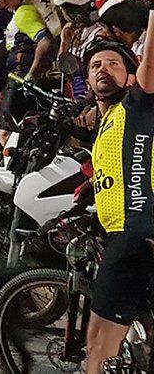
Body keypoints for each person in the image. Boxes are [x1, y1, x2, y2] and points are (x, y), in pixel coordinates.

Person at [78, 28, 154, 374]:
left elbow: (150, 68)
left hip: (134, 234)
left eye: (113, 64)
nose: (103, 69)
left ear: (131, 77)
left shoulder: (137, 105)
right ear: (87, 81)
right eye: (96, 65)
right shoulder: (109, 120)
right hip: (136, 236)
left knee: (98, 345)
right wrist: (89, 189)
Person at [0, 0, 63, 132]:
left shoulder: (24, 12)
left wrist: (32, 74)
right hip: (38, 77)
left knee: (6, 131)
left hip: (21, 79)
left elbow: (45, 41)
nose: (1, 4)